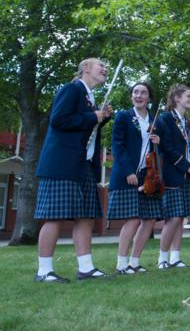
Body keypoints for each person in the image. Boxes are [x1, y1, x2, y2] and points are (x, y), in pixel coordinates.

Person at [34, 58, 113, 282]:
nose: (105, 70)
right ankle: (44, 271)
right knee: (54, 216)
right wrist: (92, 116)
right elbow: (58, 120)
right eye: (101, 66)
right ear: (86, 68)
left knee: (86, 216)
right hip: (62, 164)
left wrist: (101, 118)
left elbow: (85, 127)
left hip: (84, 165)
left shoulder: (90, 96)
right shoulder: (72, 89)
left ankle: (86, 268)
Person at [108, 82, 163, 274]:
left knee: (149, 219)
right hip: (128, 174)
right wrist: (128, 171)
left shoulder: (155, 121)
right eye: (135, 92)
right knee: (132, 219)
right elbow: (118, 146)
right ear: (132, 96)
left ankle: (134, 262)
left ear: (149, 98)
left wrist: (158, 143)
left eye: (143, 92)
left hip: (149, 175)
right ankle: (121, 264)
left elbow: (158, 152)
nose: (139, 95)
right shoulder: (123, 116)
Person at [156, 84, 190, 269]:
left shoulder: (186, 122)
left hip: (188, 174)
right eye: (188, 96)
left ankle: (175, 257)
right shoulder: (166, 118)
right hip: (174, 172)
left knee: (182, 216)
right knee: (174, 217)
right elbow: (166, 147)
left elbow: (185, 145)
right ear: (177, 98)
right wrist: (187, 166)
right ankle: (162, 258)